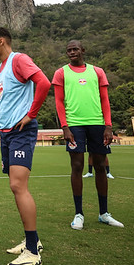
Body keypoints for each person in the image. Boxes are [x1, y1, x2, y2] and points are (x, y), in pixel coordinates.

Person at [0, 27, 51, 265]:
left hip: (21, 130)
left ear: (2, 41)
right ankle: (33, 239)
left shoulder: (19, 60)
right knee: (15, 186)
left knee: (18, 185)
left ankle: (32, 252)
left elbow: (43, 83)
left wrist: (31, 115)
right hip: (6, 133)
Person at [52, 40, 124, 232]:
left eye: (75, 49)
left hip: (98, 124)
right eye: (68, 50)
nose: (72, 52)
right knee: (77, 166)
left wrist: (108, 125)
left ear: (83, 50)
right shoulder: (61, 73)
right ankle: (78, 214)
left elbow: (104, 100)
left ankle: (104, 213)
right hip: (74, 125)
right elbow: (59, 102)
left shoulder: (97, 71)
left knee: (100, 165)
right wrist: (65, 127)